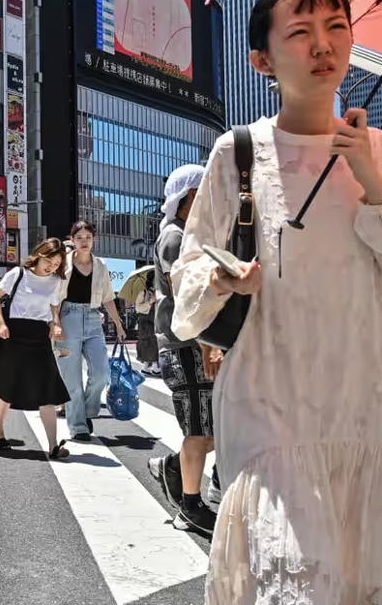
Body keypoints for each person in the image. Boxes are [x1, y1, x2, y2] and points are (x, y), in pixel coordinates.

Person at [170, 0, 382, 602]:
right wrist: (221, 277)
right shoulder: (237, 151)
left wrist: (374, 187)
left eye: (337, 28)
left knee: (371, 579)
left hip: (376, 402)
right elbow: (186, 279)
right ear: (263, 59)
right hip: (276, 401)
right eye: (300, 32)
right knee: (292, 581)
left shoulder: (378, 148)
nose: (323, 45)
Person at [148, 163, 219, 534]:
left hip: (197, 344)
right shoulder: (175, 238)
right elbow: (188, 297)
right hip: (184, 345)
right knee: (199, 428)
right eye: (203, 192)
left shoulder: (190, 236)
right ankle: (190, 506)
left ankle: (173, 468)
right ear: (187, 197)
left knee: (211, 428)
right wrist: (208, 343)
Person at [0, 238, 72, 458]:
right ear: (40, 254)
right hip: (14, 335)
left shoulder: (55, 281)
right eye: (50, 262)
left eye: (57, 264)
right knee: (7, 388)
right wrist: (0, 323)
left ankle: (53, 445)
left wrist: (55, 323)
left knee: (48, 389)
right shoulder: (17, 274)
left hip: (40, 337)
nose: (52, 267)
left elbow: (54, 305)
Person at [55, 221, 126, 441]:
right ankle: (78, 427)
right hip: (68, 318)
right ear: (72, 240)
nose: (84, 241)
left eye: (88, 237)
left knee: (101, 373)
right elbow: (54, 298)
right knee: (71, 378)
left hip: (94, 319)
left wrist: (119, 324)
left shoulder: (101, 265)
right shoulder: (63, 264)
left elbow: (108, 298)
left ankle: (85, 412)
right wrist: (55, 322)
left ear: (94, 239)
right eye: (80, 237)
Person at [133, 272, 159, 376]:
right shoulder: (143, 293)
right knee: (149, 343)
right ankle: (154, 367)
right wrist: (150, 302)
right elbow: (138, 308)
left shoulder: (158, 292)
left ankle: (147, 367)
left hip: (154, 321)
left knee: (154, 342)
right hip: (145, 322)